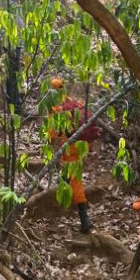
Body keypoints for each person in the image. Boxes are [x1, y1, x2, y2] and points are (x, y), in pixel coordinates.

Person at [49, 77, 98, 234]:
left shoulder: (55, 108)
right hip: (83, 145)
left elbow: (53, 134)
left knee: (76, 181)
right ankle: (63, 191)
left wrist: (54, 149)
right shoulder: (74, 102)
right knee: (70, 174)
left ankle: (84, 219)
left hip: (70, 145)